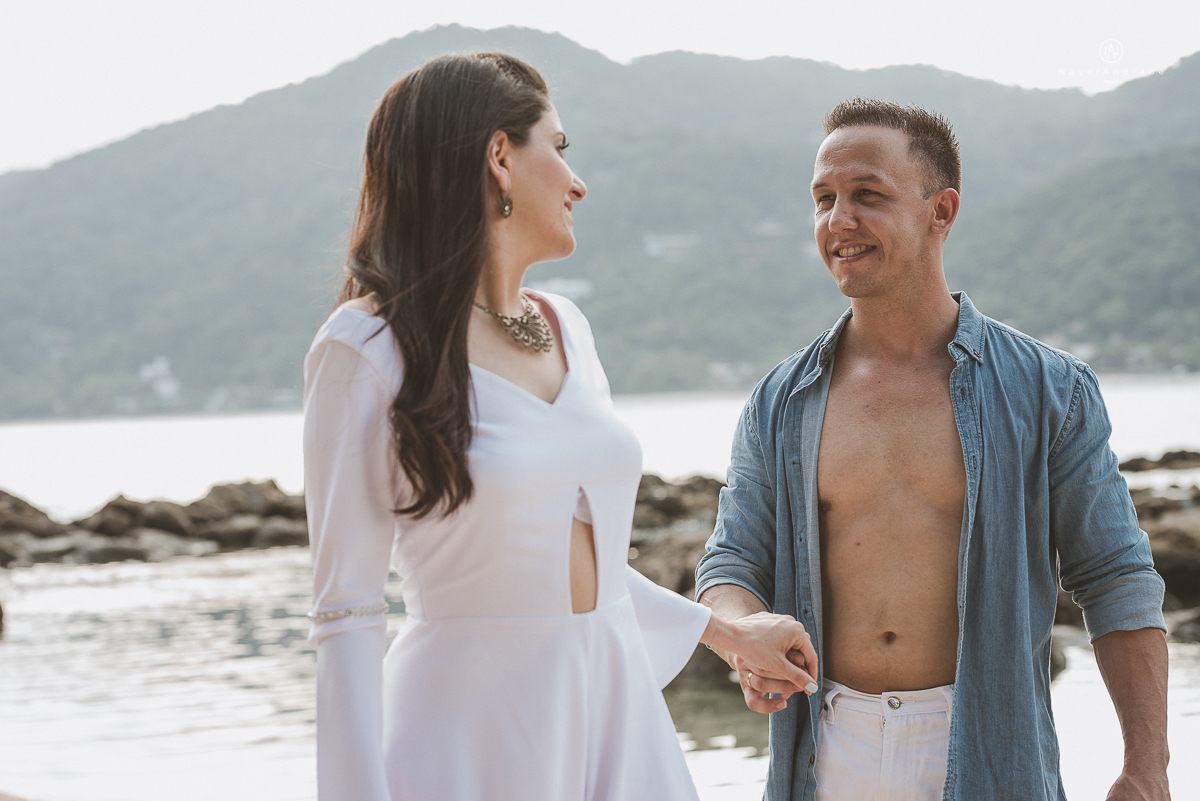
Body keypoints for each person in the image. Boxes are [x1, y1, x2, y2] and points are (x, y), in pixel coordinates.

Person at [302, 52, 820, 801]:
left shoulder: (566, 327)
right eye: (561, 148)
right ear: (500, 157)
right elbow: (346, 612)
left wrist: (726, 633)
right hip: (469, 737)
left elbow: (584, 568)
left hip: (618, 713)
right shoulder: (365, 348)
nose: (578, 182)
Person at [695, 98, 1170, 801]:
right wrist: (741, 630)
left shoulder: (1050, 389)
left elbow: (1115, 577)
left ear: (941, 212)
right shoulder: (780, 399)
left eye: (867, 196)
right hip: (827, 752)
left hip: (987, 752)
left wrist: (1146, 765)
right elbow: (730, 561)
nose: (838, 221)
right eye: (824, 198)